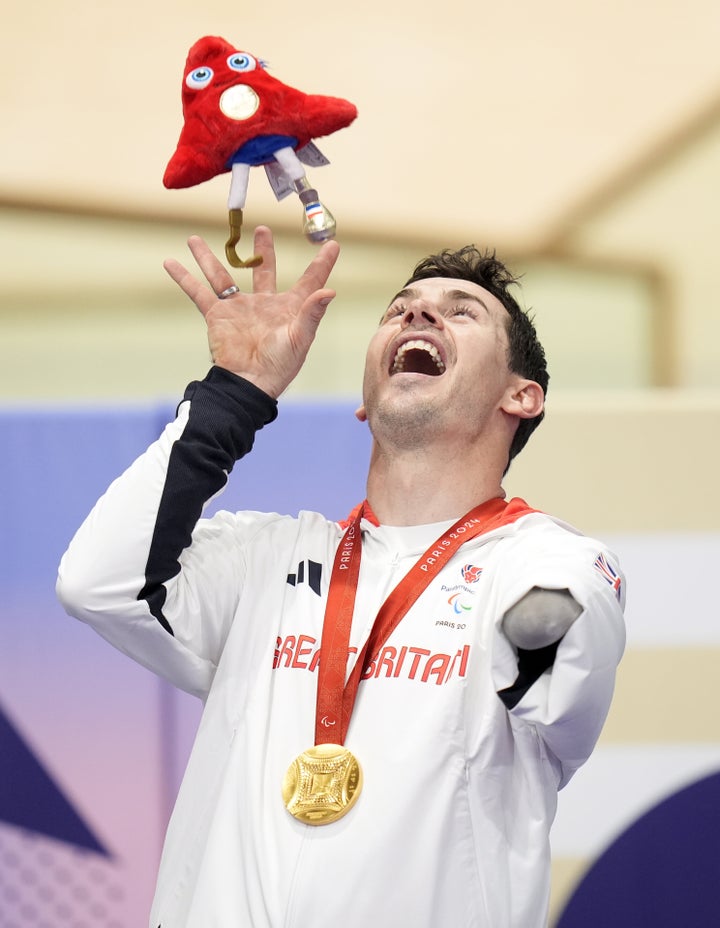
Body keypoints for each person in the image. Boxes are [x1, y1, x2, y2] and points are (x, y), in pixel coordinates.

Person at [57, 227, 626, 928]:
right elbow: (97, 581)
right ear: (365, 402)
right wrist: (236, 395)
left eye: (460, 311)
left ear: (522, 397)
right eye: (399, 308)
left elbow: (559, 649)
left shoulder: (542, 561)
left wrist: (526, 619)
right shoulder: (269, 558)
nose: (417, 315)